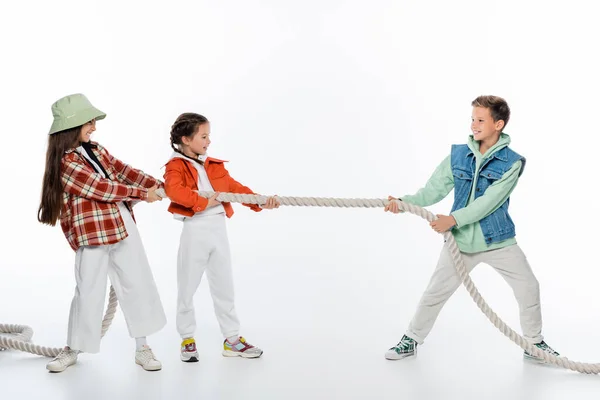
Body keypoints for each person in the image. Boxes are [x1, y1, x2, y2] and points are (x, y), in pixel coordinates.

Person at [384, 95, 559, 364]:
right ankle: (411, 339)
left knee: (528, 287)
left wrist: (452, 219)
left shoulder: (512, 162)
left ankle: (534, 344)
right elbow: (432, 190)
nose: (474, 125)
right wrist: (404, 203)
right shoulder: (457, 154)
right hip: (460, 244)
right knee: (435, 292)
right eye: (472, 119)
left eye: (480, 120)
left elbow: (489, 203)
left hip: (498, 240)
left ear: (498, 124)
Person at [38, 94, 167, 372]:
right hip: (92, 232)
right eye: (89, 121)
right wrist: (144, 194)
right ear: (73, 125)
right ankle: (73, 347)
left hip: (121, 223)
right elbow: (101, 188)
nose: (94, 126)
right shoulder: (66, 163)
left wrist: (160, 184)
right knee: (88, 290)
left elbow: (124, 171)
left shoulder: (97, 150)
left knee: (137, 282)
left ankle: (142, 348)